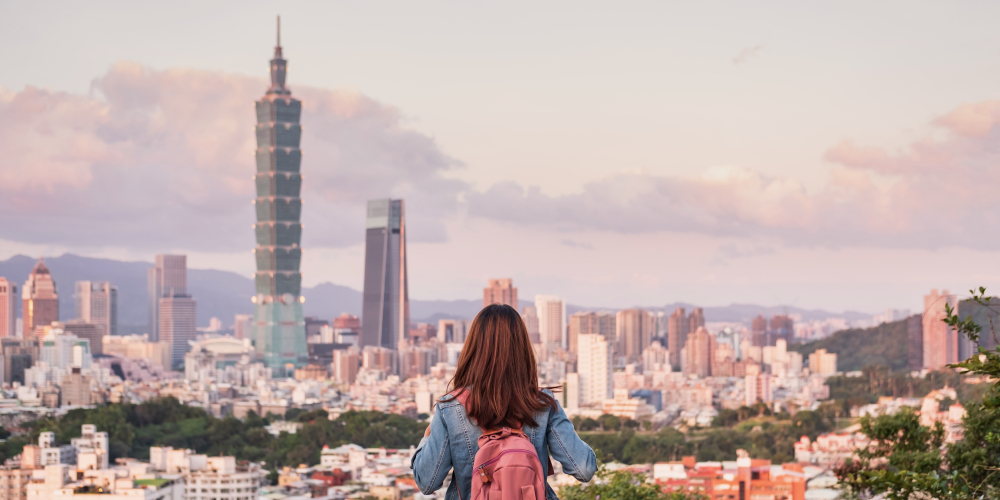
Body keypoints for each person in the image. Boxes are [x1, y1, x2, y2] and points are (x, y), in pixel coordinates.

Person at [412, 304, 597, 500]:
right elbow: (584, 469)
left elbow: (427, 482)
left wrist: (426, 439)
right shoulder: (542, 404)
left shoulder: (451, 407)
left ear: (473, 348)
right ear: (522, 348)